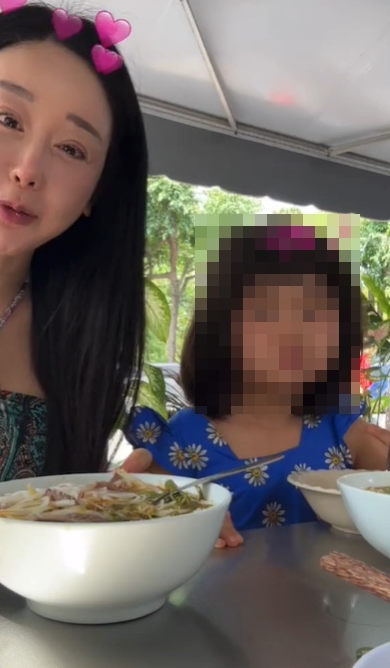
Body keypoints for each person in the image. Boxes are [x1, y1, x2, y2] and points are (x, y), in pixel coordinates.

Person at [0, 0, 150, 575]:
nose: (28, 170)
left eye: (71, 149)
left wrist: (127, 516)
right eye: (8, 120)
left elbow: (51, 558)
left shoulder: (84, 335)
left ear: (96, 192)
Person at [128, 221, 388, 547]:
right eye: (264, 312)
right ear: (218, 331)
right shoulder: (180, 443)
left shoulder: (342, 427)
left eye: (313, 314)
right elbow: (145, 530)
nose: (292, 332)